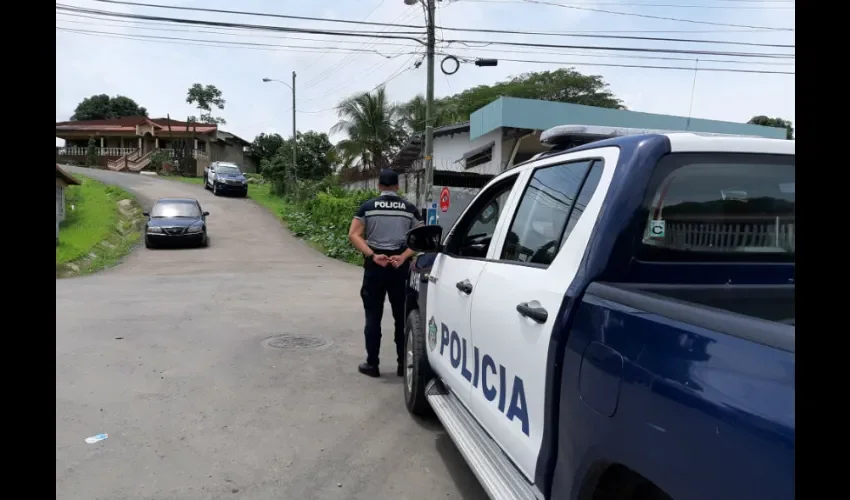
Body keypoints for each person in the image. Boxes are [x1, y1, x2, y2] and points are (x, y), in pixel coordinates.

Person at [348, 169, 423, 378]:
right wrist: (404, 256)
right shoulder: (409, 209)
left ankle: (372, 364)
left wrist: (373, 255)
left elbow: (354, 234)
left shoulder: (368, 207)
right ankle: (402, 365)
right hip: (400, 267)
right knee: (402, 317)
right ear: (397, 186)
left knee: (373, 316)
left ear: (379, 186)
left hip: (376, 267)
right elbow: (421, 237)